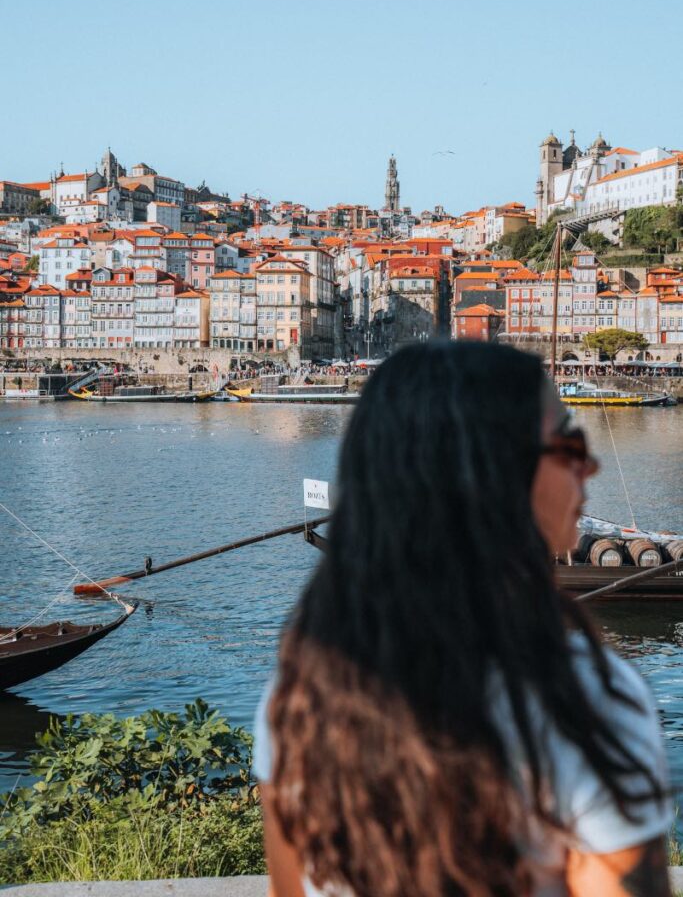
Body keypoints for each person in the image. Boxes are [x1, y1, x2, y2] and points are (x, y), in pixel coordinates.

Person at [254, 341, 672, 897]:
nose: (589, 463)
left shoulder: (300, 700)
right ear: (494, 474)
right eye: (569, 442)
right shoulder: (586, 700)